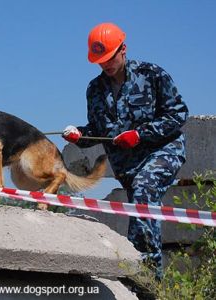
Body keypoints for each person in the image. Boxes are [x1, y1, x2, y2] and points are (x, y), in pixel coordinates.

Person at [62, 22, 188, 279]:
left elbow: (178, 115)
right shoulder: (94, 90)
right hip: (127, 167)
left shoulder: (152, 75)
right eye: (100, 61)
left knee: (144, 192)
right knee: (143, 214)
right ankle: (150, 281)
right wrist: (78, 136)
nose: (106, 65)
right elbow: (99, 131)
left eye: (109, 58)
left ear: (123, 49)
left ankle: (141, 276)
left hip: (163, 152)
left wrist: (141, 134)